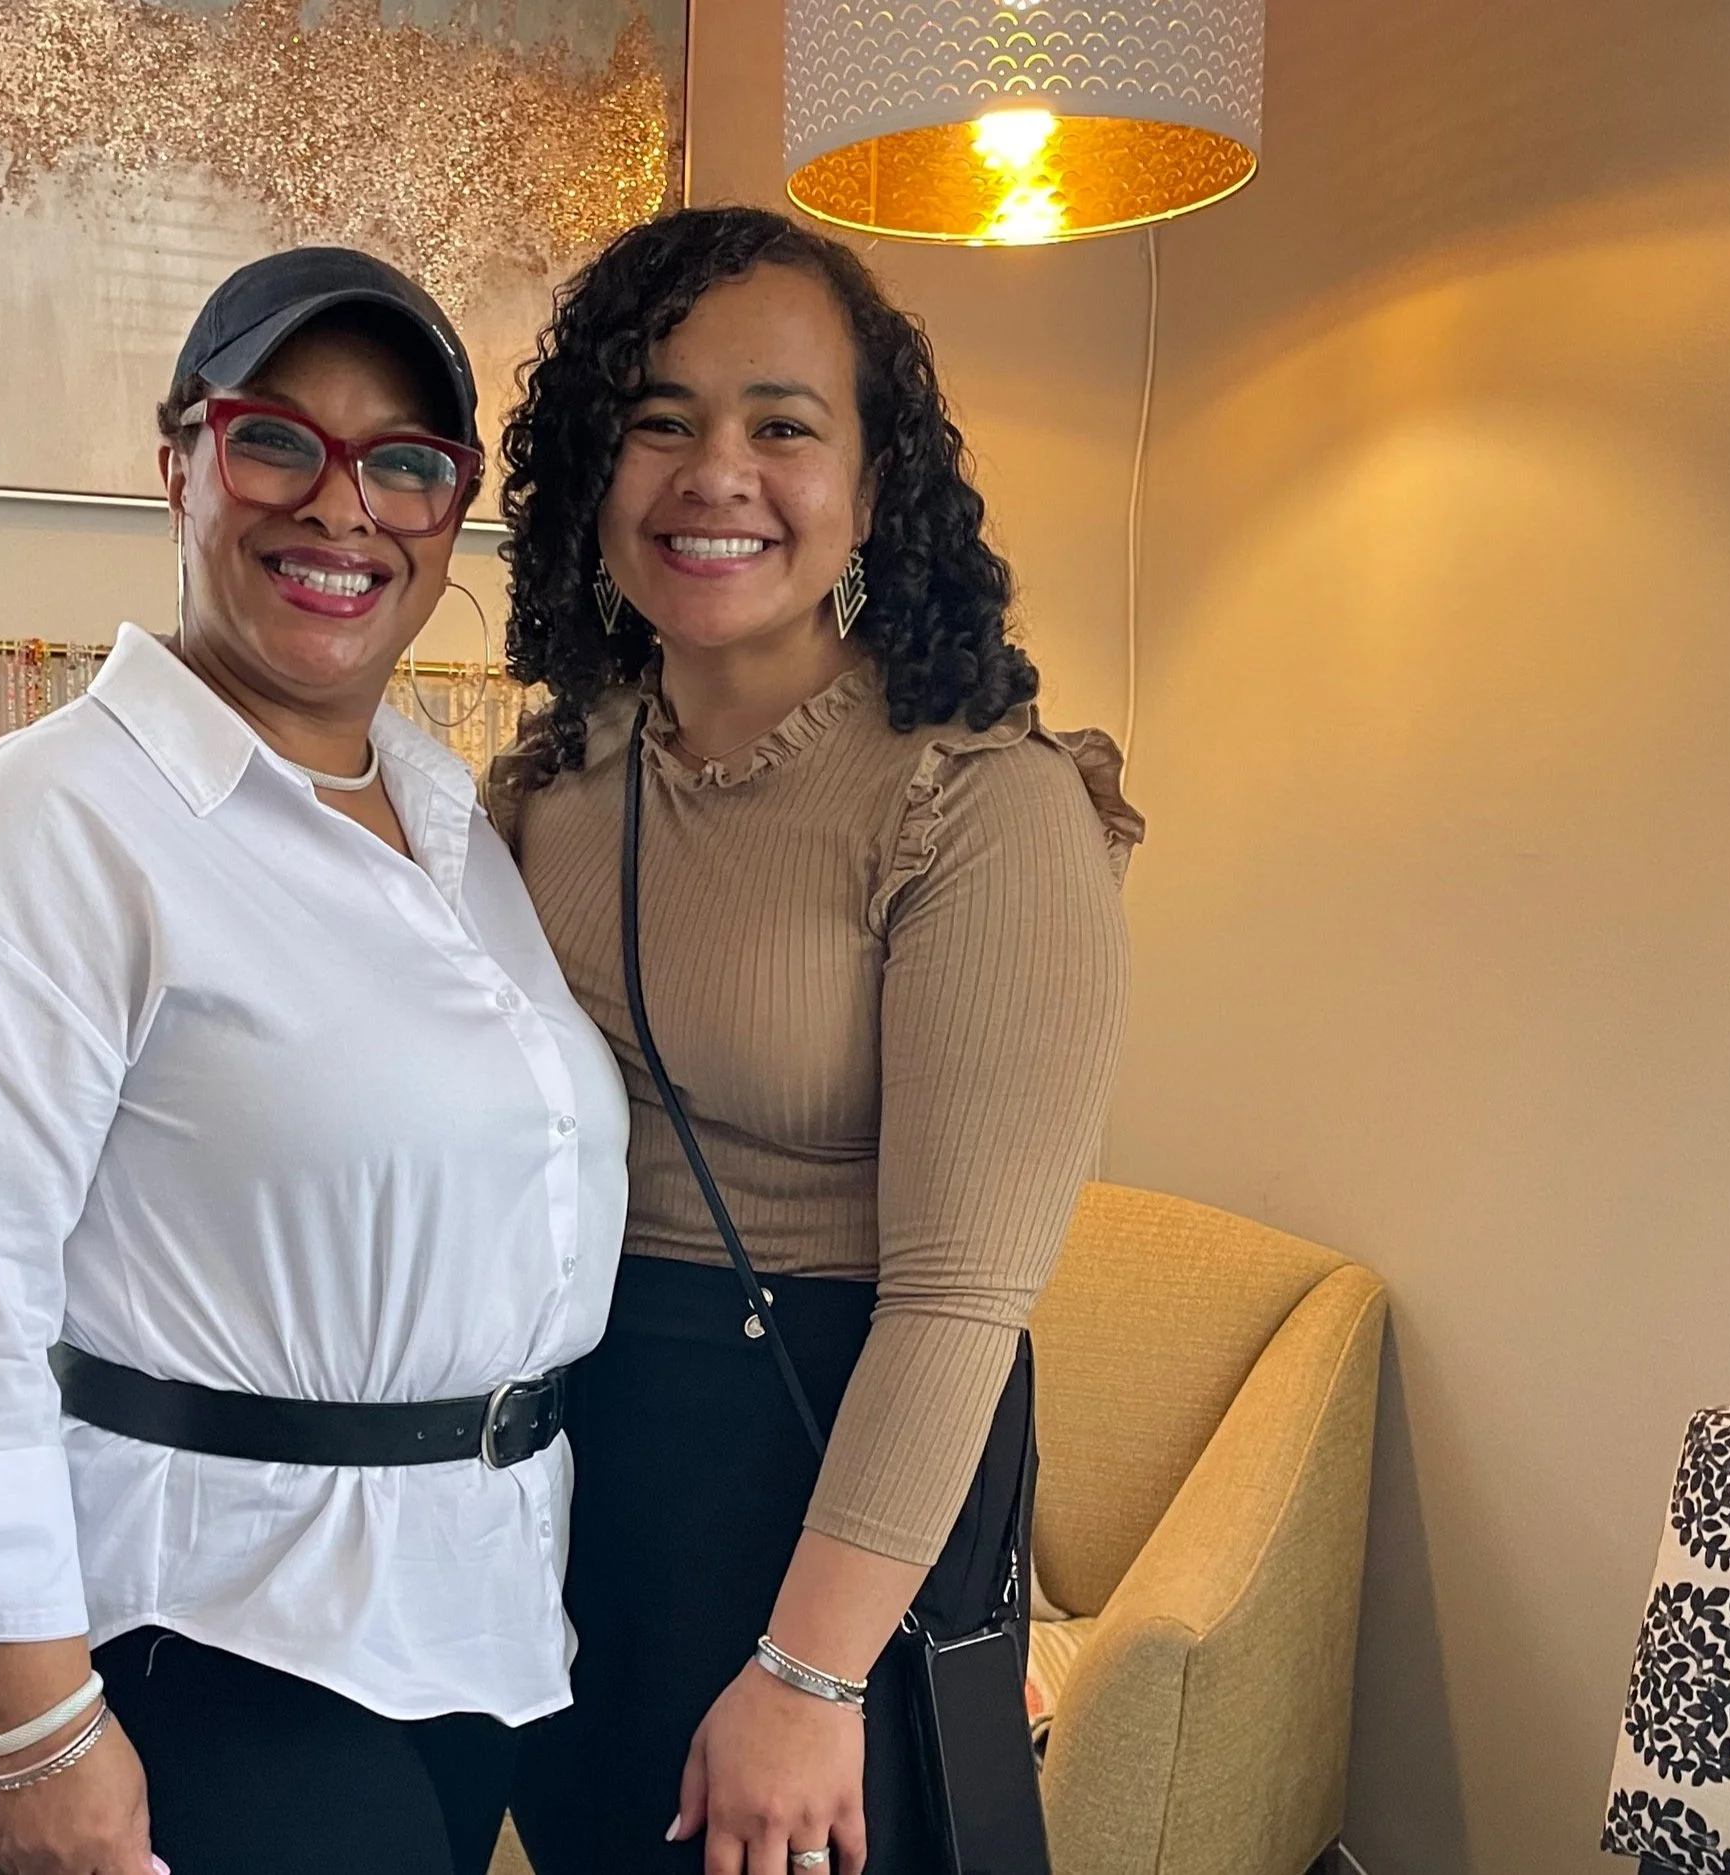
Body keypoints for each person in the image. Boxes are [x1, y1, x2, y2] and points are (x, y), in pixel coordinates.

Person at [0, 247, 628, 1875]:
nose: (345, 509)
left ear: (452, 507)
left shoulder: (456, 827)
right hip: (226, 1650)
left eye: (405, 463)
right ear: (179, 456)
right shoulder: (49, 823)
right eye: (280, 438)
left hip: (473, 1628)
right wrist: (36, 1734)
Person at [490, 206, 1143, 1875]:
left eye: (783, 423)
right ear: (593, 469)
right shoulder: (549, 787)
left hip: (828, 1483)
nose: (718, 471)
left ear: (871, 482)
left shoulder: (982, 808)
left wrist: (808, 1667)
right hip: (577, 1476)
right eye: (660, 419)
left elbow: (959, 1306)